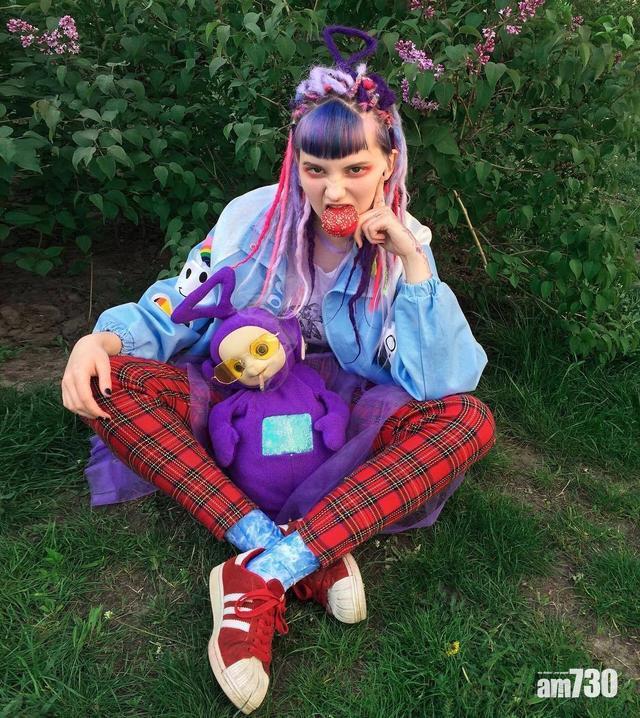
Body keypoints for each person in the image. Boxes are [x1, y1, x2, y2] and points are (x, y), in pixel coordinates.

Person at [61, 25, 496, 715]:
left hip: (341, 419)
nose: (333, 190)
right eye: (315, 169)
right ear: (296, 161)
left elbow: (439, 383)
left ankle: (266, 569)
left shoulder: (405, 246)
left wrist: (411, 263)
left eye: (355, 169)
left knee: (468, 420)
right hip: (240, 395)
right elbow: (184, 298)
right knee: (114, 386)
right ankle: (281, 544)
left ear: (389, 162)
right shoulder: (250, 221)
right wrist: (104, 339)